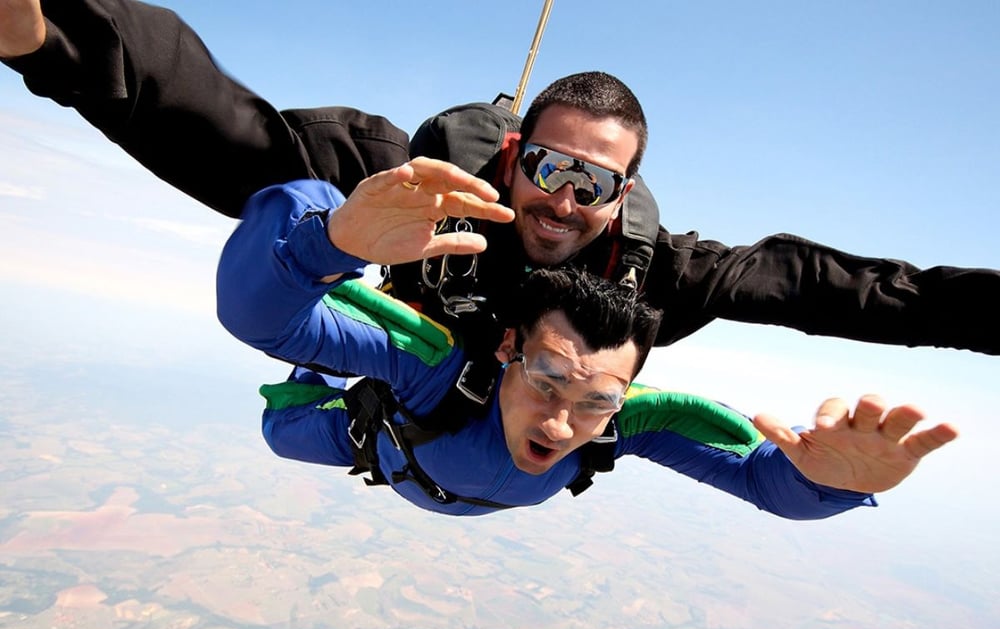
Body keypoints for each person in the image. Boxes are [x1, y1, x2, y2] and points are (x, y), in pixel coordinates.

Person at [3, 0, 998, 354]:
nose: (564, 201)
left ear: (626, 190)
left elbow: (850, 293)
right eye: (552, 167)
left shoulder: (655, 273)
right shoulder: (419, 180)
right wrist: (52, 41)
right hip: (417, 387)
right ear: (517, 154)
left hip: (535, 418)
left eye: (595, 183)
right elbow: (230, 131)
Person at [216, 158, 958, 517]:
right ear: (507, 349)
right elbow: (257, 318)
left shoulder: (631, 421)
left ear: (626, 392)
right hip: (371, 439)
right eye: (546, 379)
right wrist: (330, 239)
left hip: (413, 463)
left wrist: (832, 485)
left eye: (599, 399)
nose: (563, 421)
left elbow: (762, 481)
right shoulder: (430, 366)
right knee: (280, 426)